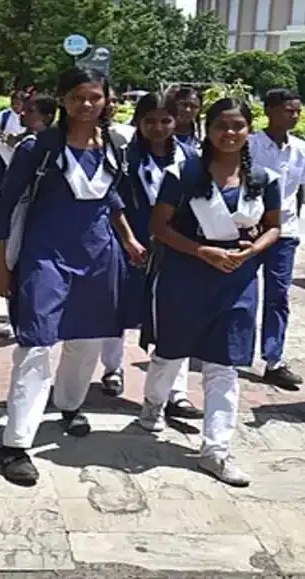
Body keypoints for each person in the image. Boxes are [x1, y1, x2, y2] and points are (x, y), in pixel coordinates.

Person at [0, 68, 146, 486]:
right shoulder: (38, 148)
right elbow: (5, 208)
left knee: (87, 340)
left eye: (95, 97)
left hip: (99, 255)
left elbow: (111, 195)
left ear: (107, 100)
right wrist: (0, 266)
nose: (86, 105)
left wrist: (128, 239)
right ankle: (15, 443)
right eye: (77, 96)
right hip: (46, 256)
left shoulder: (114, 145)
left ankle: (70, 405)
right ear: (62, 99)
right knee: (36, 344)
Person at [138, 97, 281, 487]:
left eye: (238, 126)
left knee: (224, 365)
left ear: (249, 130)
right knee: (170, 353)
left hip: (237, 280)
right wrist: (201, 251)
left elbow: (274, 226)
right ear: (208, 129)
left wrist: (253, 250)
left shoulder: (263, 179)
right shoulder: (183, 174)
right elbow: (159, 227)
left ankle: (216, 450)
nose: (229, 133)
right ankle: (153, 404)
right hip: (186, 276)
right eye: (222, 126)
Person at [98, 92, 203, 420]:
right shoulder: (124, 157)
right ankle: (112, 369)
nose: (158, 128)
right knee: (118, 310)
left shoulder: (190, 158)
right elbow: (111, 200)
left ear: (176, 120)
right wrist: (128, 239)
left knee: (175, 318)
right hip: (130, 244)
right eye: (150, 121)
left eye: (165, 120)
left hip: (175, 248)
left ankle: (176, 392)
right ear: (139, 122)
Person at [0, 93, 57, 340]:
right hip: (27, 218)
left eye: (30, 111)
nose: (22, 114)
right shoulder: (30, 146)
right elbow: (2, 184)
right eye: (24, 109)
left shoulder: (49, 145)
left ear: (47, 117)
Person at [248, 88, 305, 390]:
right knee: (241, 293)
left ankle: (274, 359)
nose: (295, 116)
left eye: (298, 110)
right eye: (289, 110)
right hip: (249, 230)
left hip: (284, 233)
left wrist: (293, 224)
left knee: (278, 296)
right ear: (269, 111)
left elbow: (298, 190)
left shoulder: (302, 149)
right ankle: (232, 349)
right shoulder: (249, 145)